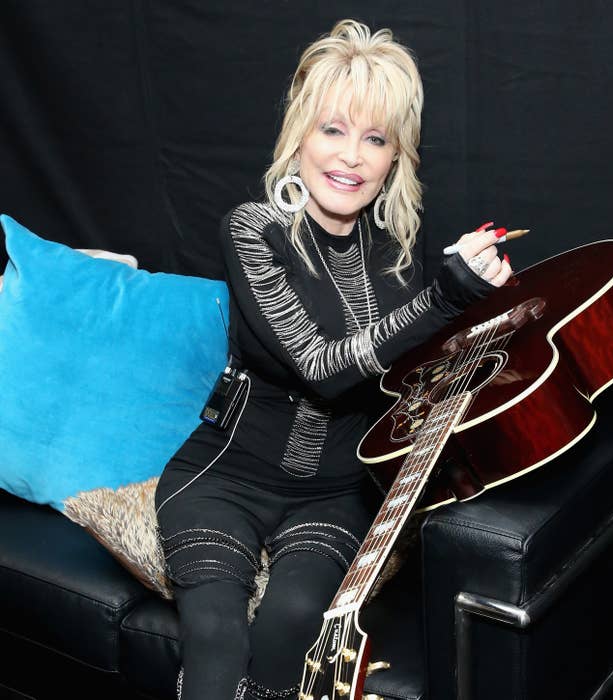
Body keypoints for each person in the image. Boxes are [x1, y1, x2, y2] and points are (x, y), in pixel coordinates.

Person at [155, 18, 512, 700]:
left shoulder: (402, 253)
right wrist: (446, 297)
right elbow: (323, 367)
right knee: (215, 632)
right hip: (223, 478)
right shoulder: (253, 229)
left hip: (335, 493)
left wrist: (478, 299)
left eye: (375, 138)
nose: (351, 157)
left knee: (292, 620)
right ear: (300, 136)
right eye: (333, 130)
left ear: (395, 157)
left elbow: (420, 377)